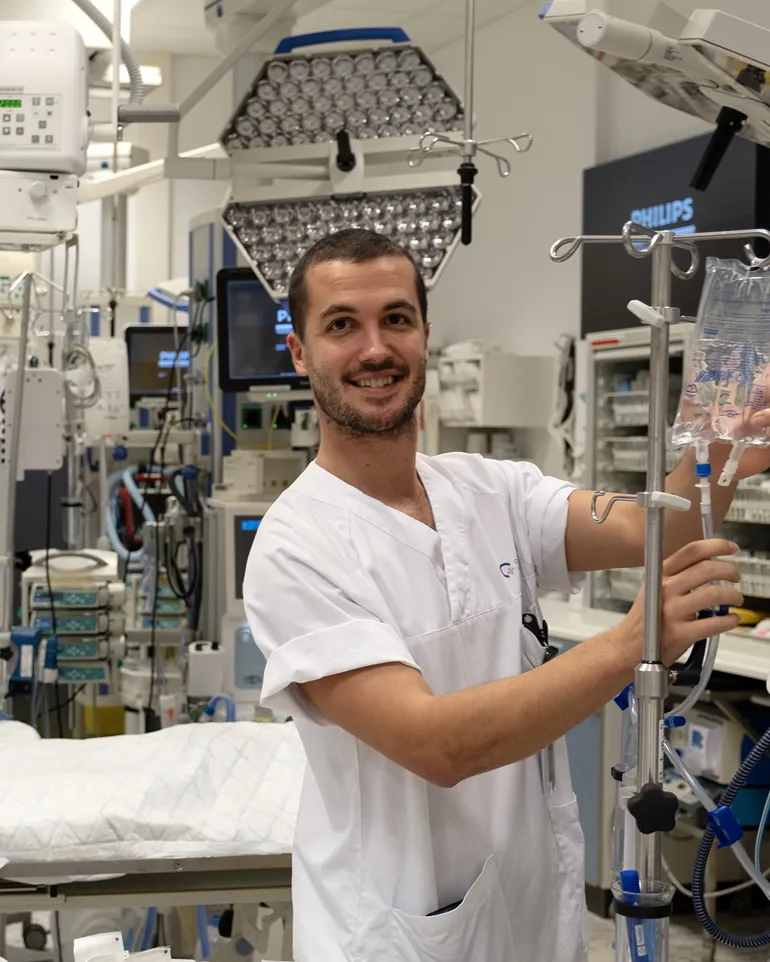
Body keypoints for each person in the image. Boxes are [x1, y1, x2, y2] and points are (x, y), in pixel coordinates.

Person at [243, 228, 765, 962]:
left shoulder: (489, 488)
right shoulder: (296, 546)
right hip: (396, 933)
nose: (375, 349)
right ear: (300, 352)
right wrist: (629, 644)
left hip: (529, 915)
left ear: (425, 334)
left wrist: (723, 446)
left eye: (396, 319)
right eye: (341, 325)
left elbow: (656, 529)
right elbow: (434, 744)